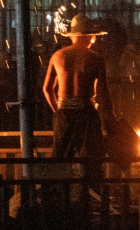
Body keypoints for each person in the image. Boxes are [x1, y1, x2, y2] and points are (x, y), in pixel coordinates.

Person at [42, 14, 109, 159]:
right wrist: (109, 120)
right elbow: (103, 94)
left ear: (72, 36)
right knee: (91, 162)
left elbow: (47, 89)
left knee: (60, 161)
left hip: (64, 114)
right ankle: (89, 182)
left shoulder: (57, 56)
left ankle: (59, 182)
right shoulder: (96, 59)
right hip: (87, 115)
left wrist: (58, 110)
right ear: (89, 36)